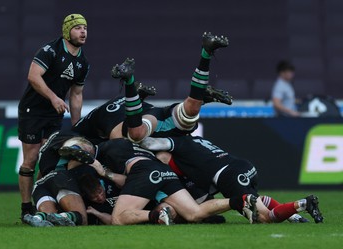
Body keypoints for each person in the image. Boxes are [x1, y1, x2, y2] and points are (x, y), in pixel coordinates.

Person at [140, 135, 324, 223]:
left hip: (229, 175)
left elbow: (150, 143)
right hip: (243, 167)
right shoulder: (198, 141)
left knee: (264, 218)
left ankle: (302, 204)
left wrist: (137, 139)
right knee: (255, 199)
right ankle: (295, 216)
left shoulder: (179, 142)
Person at [17, 13, 90, 219]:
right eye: (77, 28)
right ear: (67, 31)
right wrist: (53, 98)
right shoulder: (50, 50)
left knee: (49, 161)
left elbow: (76, 94)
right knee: (30, 160)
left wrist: (77, 126)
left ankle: (42, 199)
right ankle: (25, 208)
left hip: (54, 114)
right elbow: (33, 76)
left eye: (85, 28)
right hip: (33, 111)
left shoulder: (83, 62)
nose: (83, 31)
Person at [90, 138, 257, 225]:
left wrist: (103, 171)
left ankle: (157, 215)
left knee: (118, 219)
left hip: (146, 172)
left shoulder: (111, 146)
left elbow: (123, 180)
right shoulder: (145, 146)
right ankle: (240, 200)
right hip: (166, 173)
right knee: (194, 214)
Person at [110, 32, 229, 142]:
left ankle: (129, 81)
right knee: (191, 110)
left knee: (137, 134)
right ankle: (205, 57)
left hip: (148, 122)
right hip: (159, 124)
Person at [24, 136, 97, 227]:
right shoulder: (79, 148)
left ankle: (38, 217)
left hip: (40, 184)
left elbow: (40, 173)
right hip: (61, 179)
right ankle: (62, 216)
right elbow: (79, 147)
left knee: (50, 221)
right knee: (82, 219)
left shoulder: (48, 151)